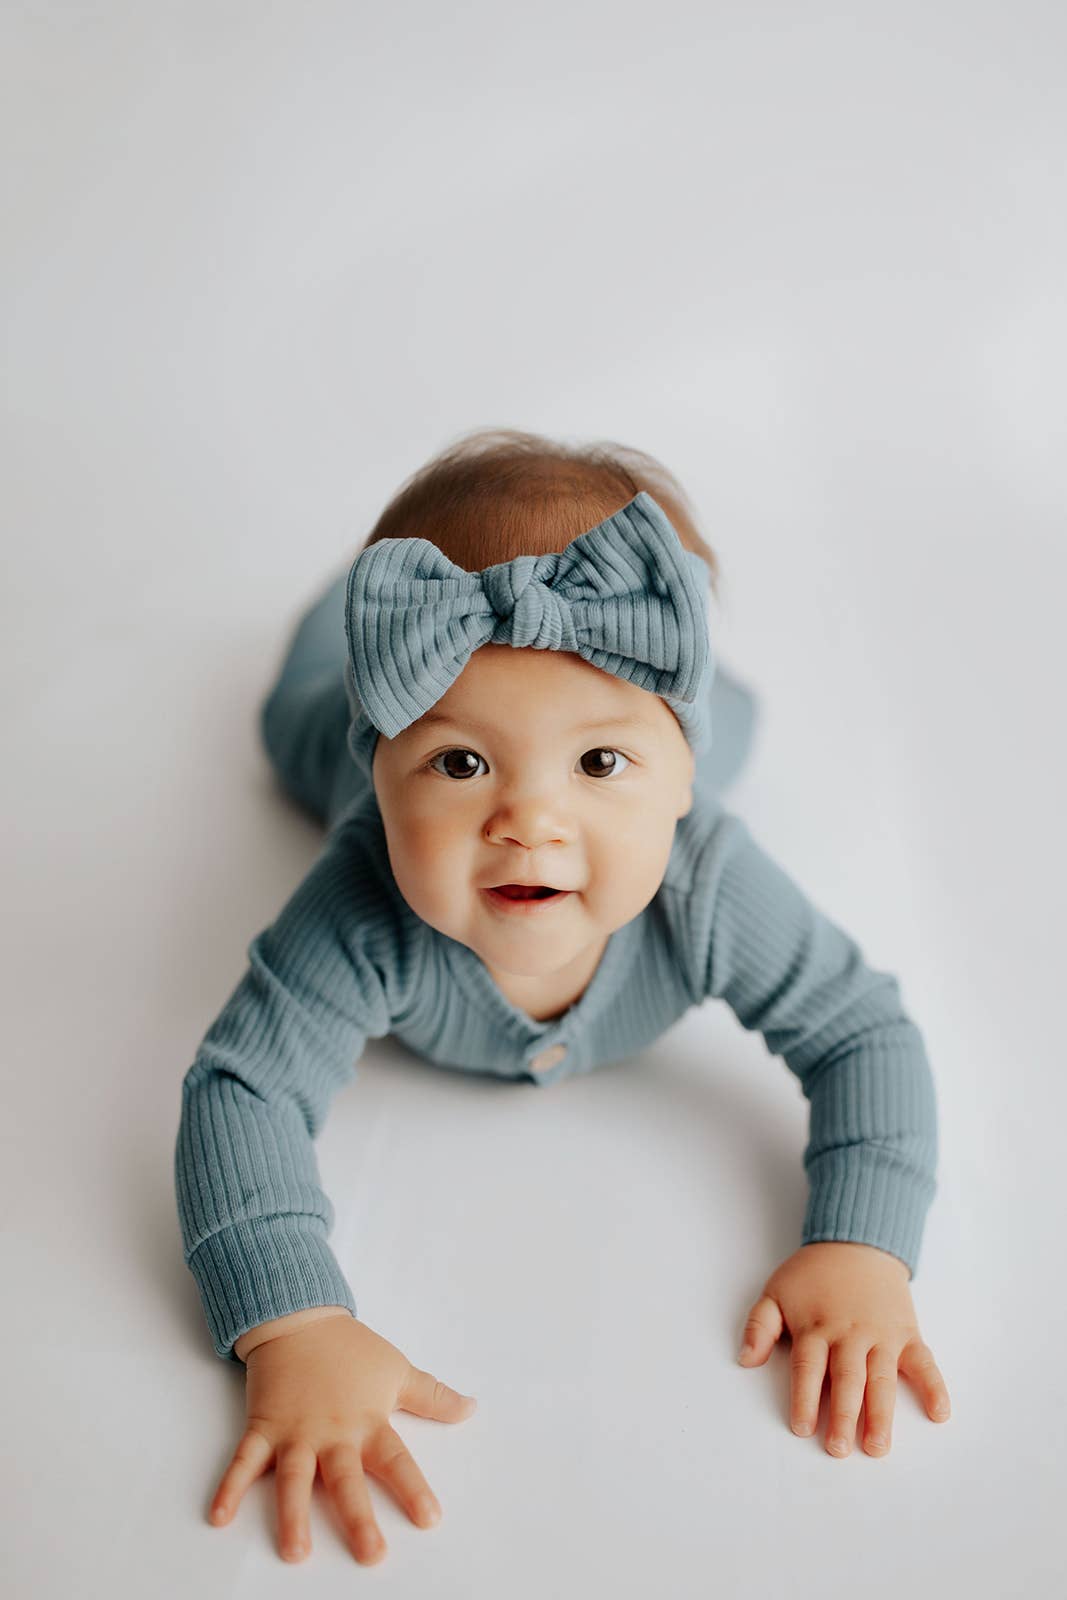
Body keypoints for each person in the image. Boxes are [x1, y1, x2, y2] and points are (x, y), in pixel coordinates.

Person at [174, 427, 951, 1568]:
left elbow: (859, 1030)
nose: (527, 823)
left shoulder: (705, 875)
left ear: (677, 783)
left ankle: (697, 696)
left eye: (596, 764)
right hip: (345, 726)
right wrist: (293, 1318)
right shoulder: (359, 898)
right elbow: (242, 1089)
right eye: (455, 764)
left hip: (686, 734)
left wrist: (862, 1244)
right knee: (288, 730)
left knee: (733, 719)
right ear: (385, 772)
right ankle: (343, 620)